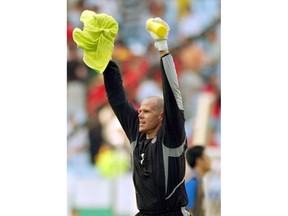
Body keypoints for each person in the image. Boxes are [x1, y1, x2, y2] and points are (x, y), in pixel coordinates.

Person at [102, 18, 190, 216]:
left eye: (146, 111)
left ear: (161, 116)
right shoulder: (137, 134)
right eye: (139, 110)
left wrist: (162, 47)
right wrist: (106, 63)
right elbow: (118, 100)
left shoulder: (172, 137)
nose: (139, 114)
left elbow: (173, 93)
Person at [185, 146, 211, 216]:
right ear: (199, 160)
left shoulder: (198, 179)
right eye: (207, 157)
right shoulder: (193, 180)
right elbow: (187, 210)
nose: (210, 160)